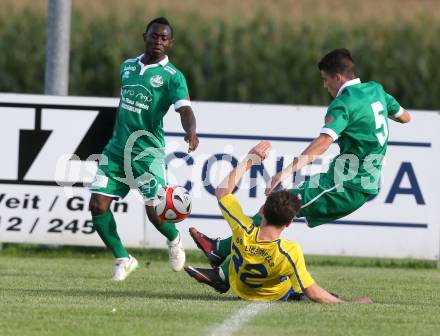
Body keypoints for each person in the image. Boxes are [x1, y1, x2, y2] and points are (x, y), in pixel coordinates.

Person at [189, 48, 411, 269]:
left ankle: (223, 263)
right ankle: (221, 254)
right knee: (276, 210)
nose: (325, 86)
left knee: (274, 210)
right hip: (347, 181)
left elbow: (323, 143)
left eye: (325, 80)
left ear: (338, 77)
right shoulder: (376, 90)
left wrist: (286, 172)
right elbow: (405, 117)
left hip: (347, 184)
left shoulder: (344, 103)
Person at [185, 141, 372, 303]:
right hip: (276, 295)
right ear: (289, 222)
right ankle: (219, 262)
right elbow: (314, 292)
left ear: (263, 211)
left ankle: (220, 264)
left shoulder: (242, 229)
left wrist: (250, 159)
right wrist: (347, 303)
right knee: (302, 288)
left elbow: (222, 191)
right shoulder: (289, 251)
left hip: (241, 290)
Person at [89, 17, 199, 281]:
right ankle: (123, 258)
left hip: (147, 153)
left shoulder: (173, 77)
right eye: (154, 36)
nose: (158, 41)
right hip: (116, 150)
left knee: (155, 212)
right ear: (145, 36)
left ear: (170, 43)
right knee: (97, 204)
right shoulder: (127, 67)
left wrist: (191, 131)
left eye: (164, 38)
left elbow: (185, 109)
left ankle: (174, 240)